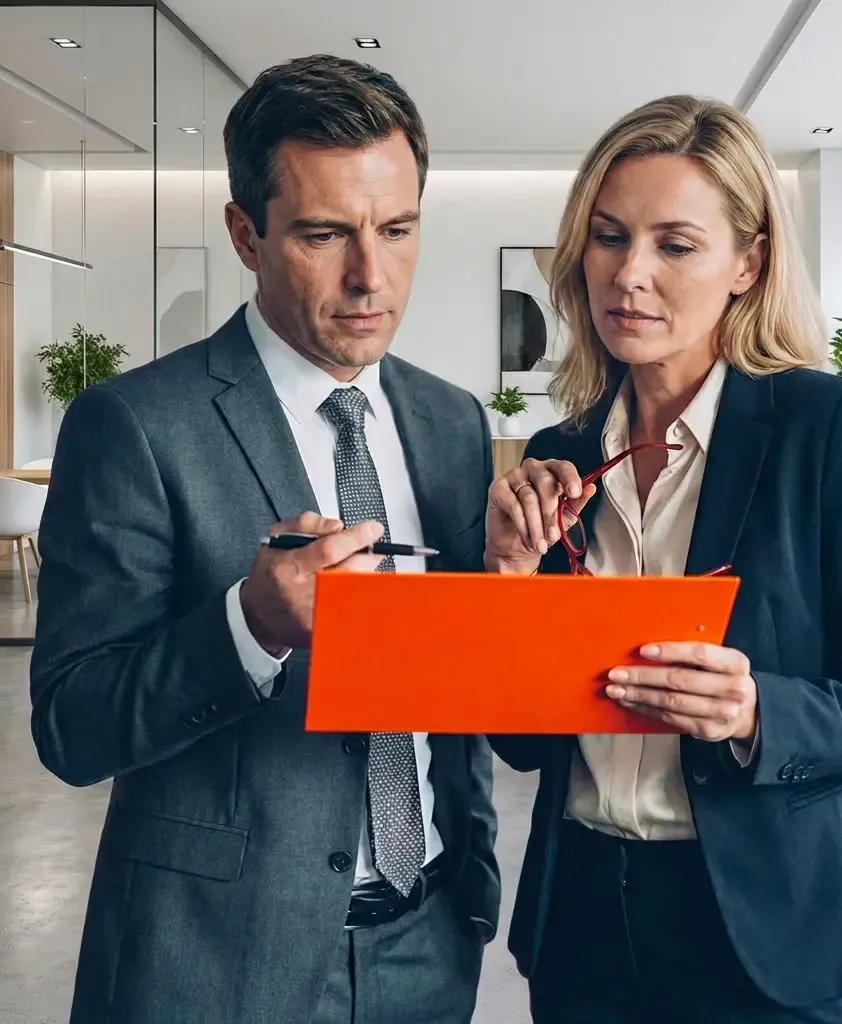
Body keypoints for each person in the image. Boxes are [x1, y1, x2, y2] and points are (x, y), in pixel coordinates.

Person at [30, 55, 499, 1024]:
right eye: (324, 234)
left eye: (397, 229)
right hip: (213, 962)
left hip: (429, 945)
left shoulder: (453, 422)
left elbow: (462, 689)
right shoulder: (135, 424)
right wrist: (249, 625)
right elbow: (71, 728)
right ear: (246, 234)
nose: (371, 276)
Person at [485, 94, 842, 1024]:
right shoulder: (559, 454)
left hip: (772, 927)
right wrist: (509, 584)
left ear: (748, 263)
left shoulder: (831, 429)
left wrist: (755, 711)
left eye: (676, 245)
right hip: (584, 923)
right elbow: (523, 745)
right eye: (610, 238)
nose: (630, 275)